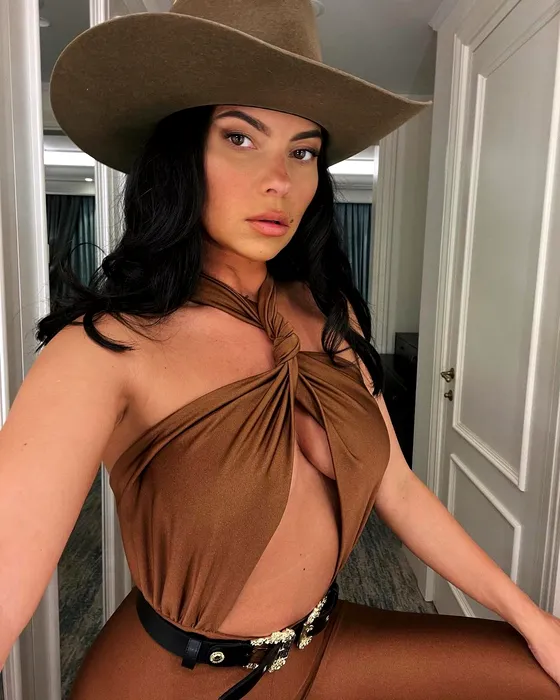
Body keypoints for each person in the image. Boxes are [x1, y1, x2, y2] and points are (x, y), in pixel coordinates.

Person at [1, 0, 560, 698]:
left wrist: (532, 618)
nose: (281, 181)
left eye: (303, 151)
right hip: (176, 679)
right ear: (181, 156)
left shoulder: (329, 313)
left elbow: (398, 488)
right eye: (240, 138)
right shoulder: (104, 349)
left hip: (323, 646)